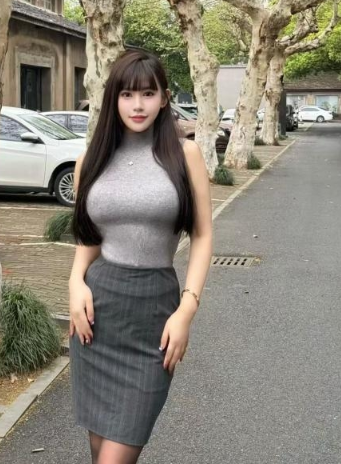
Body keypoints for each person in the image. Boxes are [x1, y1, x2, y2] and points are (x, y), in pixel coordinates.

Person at [69, 49, 213, 464]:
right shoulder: (90, 160)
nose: (137, 105)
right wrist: (75, 282)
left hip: (155, 313)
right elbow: (90, 237)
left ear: (164, 98)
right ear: (113, 99)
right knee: (99, 452)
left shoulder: (185, 155)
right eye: (127, 94)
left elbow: (203, 235)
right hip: (99, 313)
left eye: (148, 94)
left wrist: (186, 310)